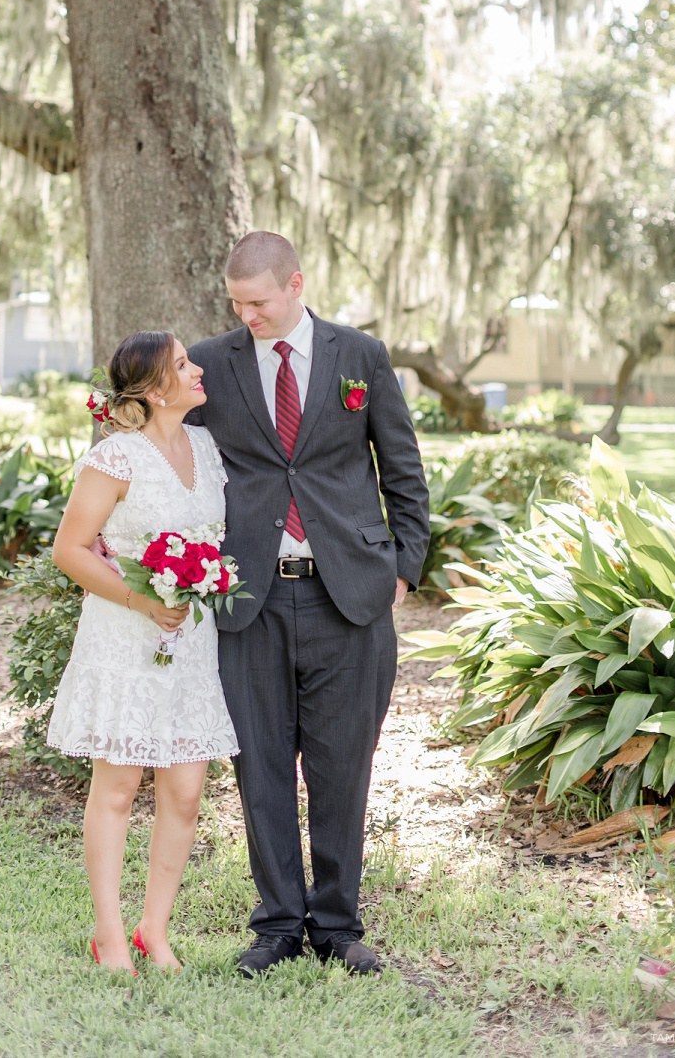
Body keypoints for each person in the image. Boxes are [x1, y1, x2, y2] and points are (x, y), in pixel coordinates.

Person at [186, 230, 430, 977]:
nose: (246, 316)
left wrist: (404, 566)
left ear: (294, 285)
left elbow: (403, 465)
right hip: (248, 597)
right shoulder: (210, 364)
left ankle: (339, 925)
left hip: (348, 597)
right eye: (236, 304)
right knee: (258, 766)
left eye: (257, 302)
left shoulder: (361, 356)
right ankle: (276, 926)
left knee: (341, 766)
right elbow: (179, 467)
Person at [46, 330, 238, 974]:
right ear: (157, 390)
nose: (198, 368)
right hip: (127, 636)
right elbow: (70, 549)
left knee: (185, 792)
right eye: (184, 365)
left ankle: (152, 929)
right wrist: (143, 602)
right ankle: (107, 933)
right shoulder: (117, 457)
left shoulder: (208, 447)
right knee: (119, 787)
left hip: (192, 641)